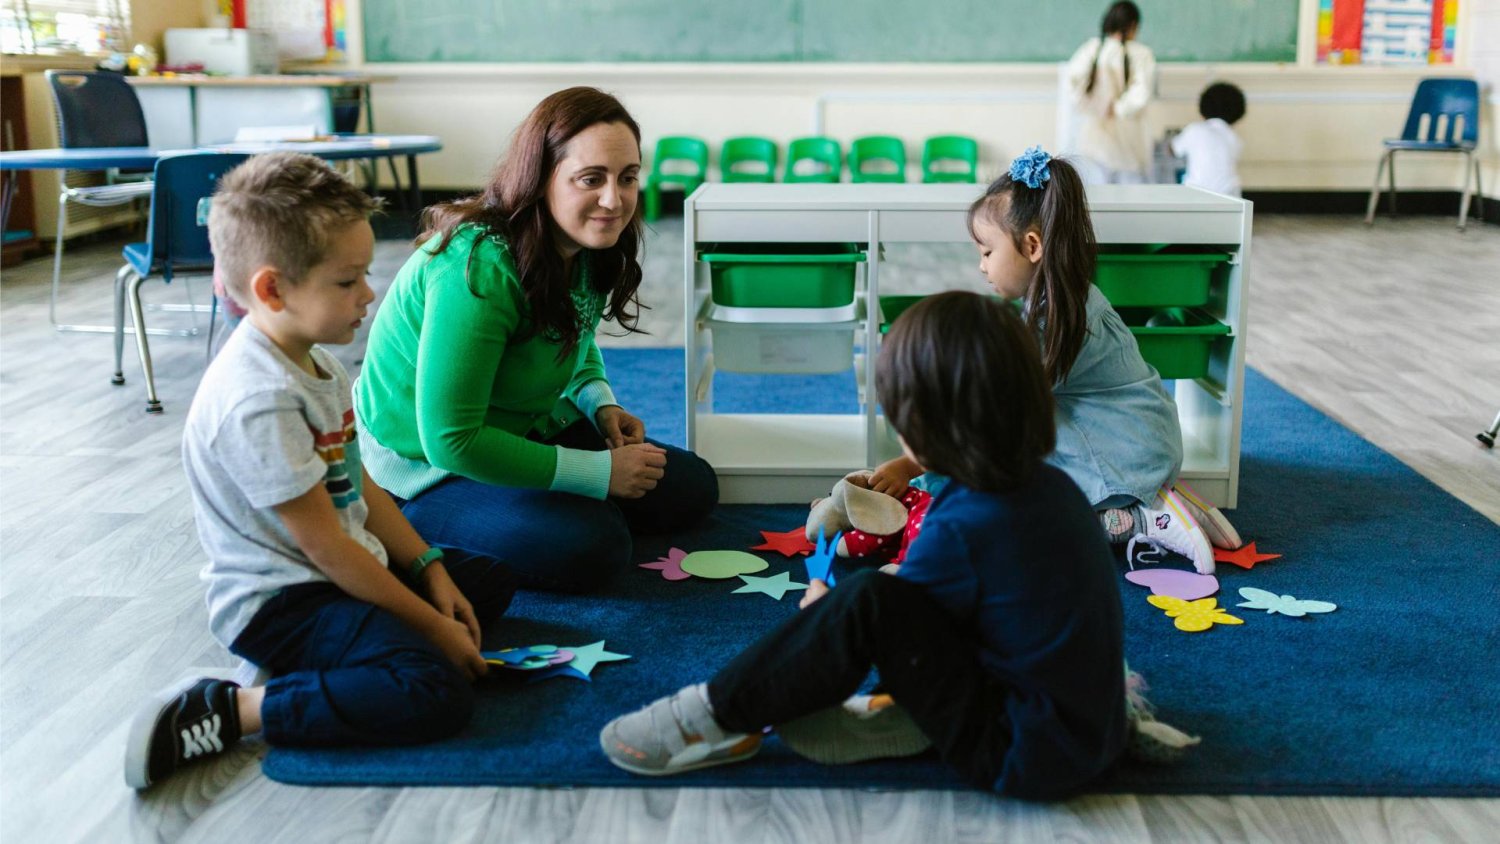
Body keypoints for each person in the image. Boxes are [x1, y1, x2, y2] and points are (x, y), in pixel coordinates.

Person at [599, 292, 1188, 800]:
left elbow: (885, 615)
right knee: (892, 597)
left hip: (1021, 753)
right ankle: (912, 714)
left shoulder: (964, 525)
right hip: (1087, 726)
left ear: (921, 430)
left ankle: (710, 715)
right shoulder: (1049, 486)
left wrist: (822, 612)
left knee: (865, 602)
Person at [124, 153, 518, 790]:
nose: (369, 295)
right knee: (433, 690)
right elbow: (328, 547)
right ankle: (235, 707)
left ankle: (355, 655)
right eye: (348, 281)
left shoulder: (316, 362)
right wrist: (431, 626)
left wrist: (430, 569)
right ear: (273, 289)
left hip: (334, 568)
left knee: (486, 582)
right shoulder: (258, 399)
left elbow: (361, 486)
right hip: (283, 601)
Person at [354, 87, 718, 594]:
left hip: (522, 429)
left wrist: (599, 405)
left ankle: (531, 503)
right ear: (541, 177)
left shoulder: (586, 243)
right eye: (591, 179)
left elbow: (575, 335)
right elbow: (450, 440)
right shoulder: (476, 265)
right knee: (594, 549)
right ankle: (411, 526)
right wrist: (597, 474)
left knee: (691, 486)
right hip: (425, 468)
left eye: (628, 177)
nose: (614, 200)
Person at [869, 148, 1227, 573]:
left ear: (1032, 246)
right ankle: (1155, 495)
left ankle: (1144, 517)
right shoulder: (1059, 298)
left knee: (1041, 521)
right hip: (1133, 437)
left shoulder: (1053, 318)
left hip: (1121, 448)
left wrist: (917, 463)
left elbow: (1000, 415)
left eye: (986, 252)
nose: (981, 266)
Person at [1065, 1, 1156, 184]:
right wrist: (1118, 109)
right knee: (1131, 199)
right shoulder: (1141, 54)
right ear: (1133, 25)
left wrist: (1094, 106)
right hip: (1129, 142)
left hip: (1094, 139)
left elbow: (1072, 83)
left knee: (1096, 197)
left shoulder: (1092, 48)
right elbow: (1141, 92)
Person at [1170, 81, 1247, 197]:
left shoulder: (1194, 130)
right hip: (1231, 195)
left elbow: (1173, 149)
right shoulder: (1235, 139)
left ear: (1203, 107)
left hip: (1197, 195)